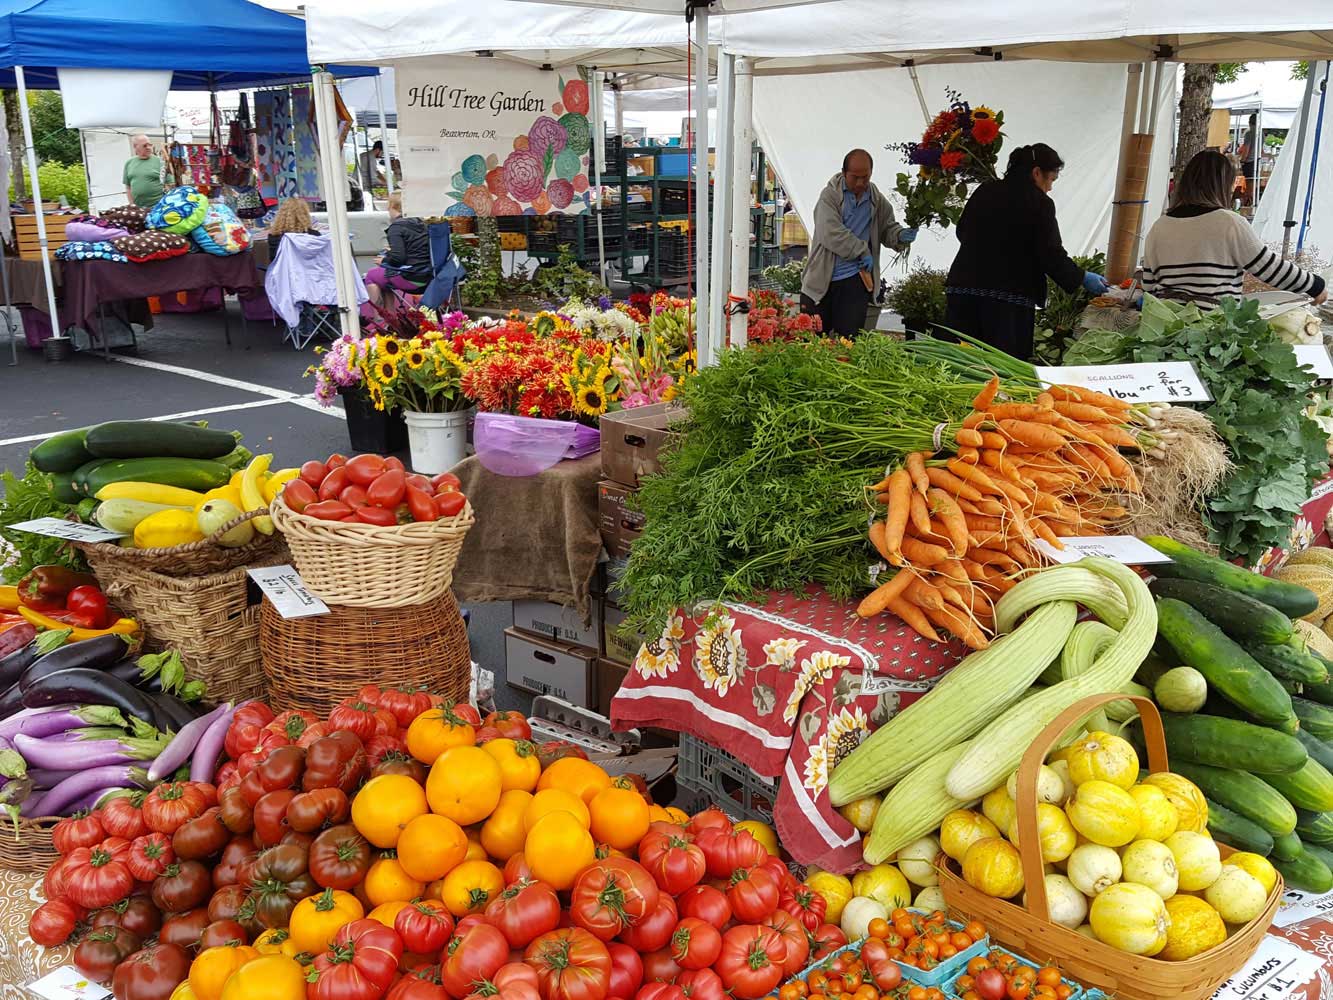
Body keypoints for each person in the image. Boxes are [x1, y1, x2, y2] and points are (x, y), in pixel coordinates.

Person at [944, 143, 1106, 359]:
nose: (1050, 188)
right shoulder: (1039, 203)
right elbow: (1050, 254)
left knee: (959, 361)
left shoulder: (985, 190)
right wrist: (1081, 277)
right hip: (1006, 302)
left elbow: (962, 231)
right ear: (1036, 172)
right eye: (1051, 180)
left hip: (963, 291)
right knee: (1001, 367)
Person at [1144, 150, 1326, 307]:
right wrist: (1315, 286)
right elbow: (1269, 267)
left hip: (1167, 330)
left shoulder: (1159, 226)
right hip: (1213, 331)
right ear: (1221, 185)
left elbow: (1148, 285)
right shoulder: (1228, 223)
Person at [800, 148, 917, 337]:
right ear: (844, 172)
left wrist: (900, 235)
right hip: (820, 283)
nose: (861, 183)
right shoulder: (829, 196)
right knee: (811, 341)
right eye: (855, 177)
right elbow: (830, 233)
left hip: (855, 280)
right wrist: (862, 251)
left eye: (866, 177)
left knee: (848, 343)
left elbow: (887, 227)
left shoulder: (876, 199)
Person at [364, 192, 431, 306]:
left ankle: (379, 318)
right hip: (429, 277)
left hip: (411, 278)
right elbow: (416, 248)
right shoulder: (421, 223)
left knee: (371, 276)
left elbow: (398, 258)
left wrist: (384, 261)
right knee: (382, 277)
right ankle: (390, 317)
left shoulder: (396, 228)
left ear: (392, 206)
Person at [266, 198, 321, 262]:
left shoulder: (274, 237)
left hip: (284, 271)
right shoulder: (314, 235)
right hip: (310, 271)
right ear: (305, 214)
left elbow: (273, 261)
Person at [123, 134, 165, 208]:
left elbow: (170, 185)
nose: (148, 148)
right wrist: (132, 205)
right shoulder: (129, 163)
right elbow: (128, 187)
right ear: (135, 146)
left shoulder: (160, 162)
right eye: (145, 145)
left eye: (150, 145)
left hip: (158, 207)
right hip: (138, 209)